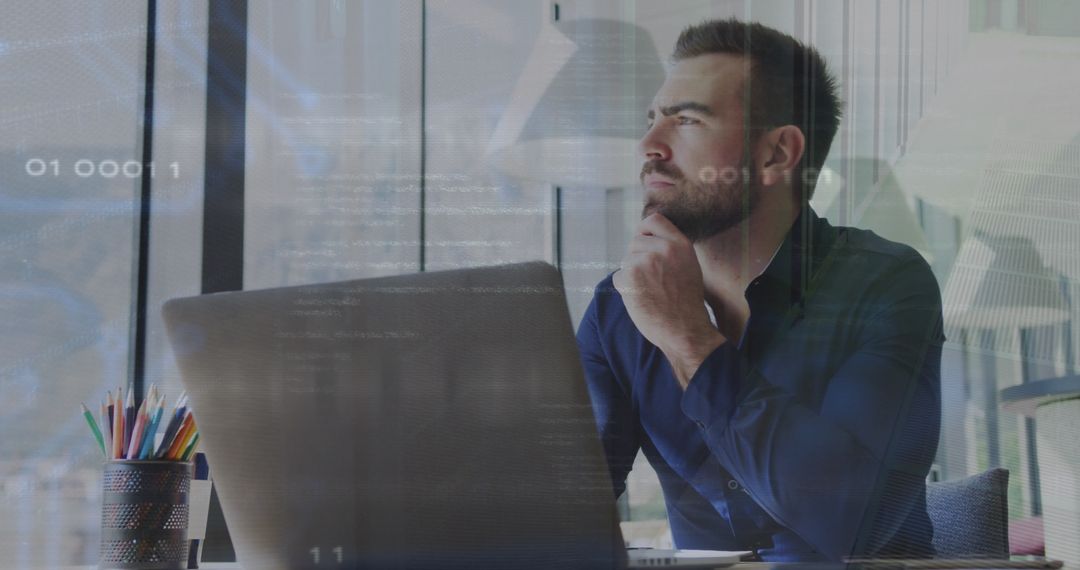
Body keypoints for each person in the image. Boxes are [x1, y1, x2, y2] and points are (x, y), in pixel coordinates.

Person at [576, 18, 944, 562]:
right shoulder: (619, 306)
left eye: (687, 121)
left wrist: (689, 341)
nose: (649, 145)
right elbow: (564, 504)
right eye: (653, 119)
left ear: (777, 155)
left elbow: (854, 524)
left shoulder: (886, 285)